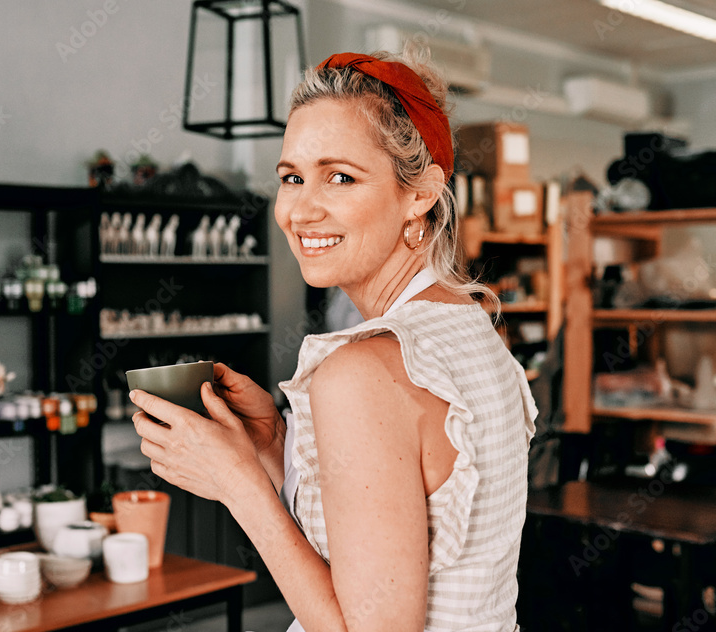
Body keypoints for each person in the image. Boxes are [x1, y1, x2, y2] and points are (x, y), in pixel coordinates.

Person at [129, 48, 537, 632]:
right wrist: (275, 448)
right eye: (292, 178)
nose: (301, 209)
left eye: (340, 177)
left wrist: (238, 484)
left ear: (420, 194)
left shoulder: (361, 370)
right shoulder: (471, 328)